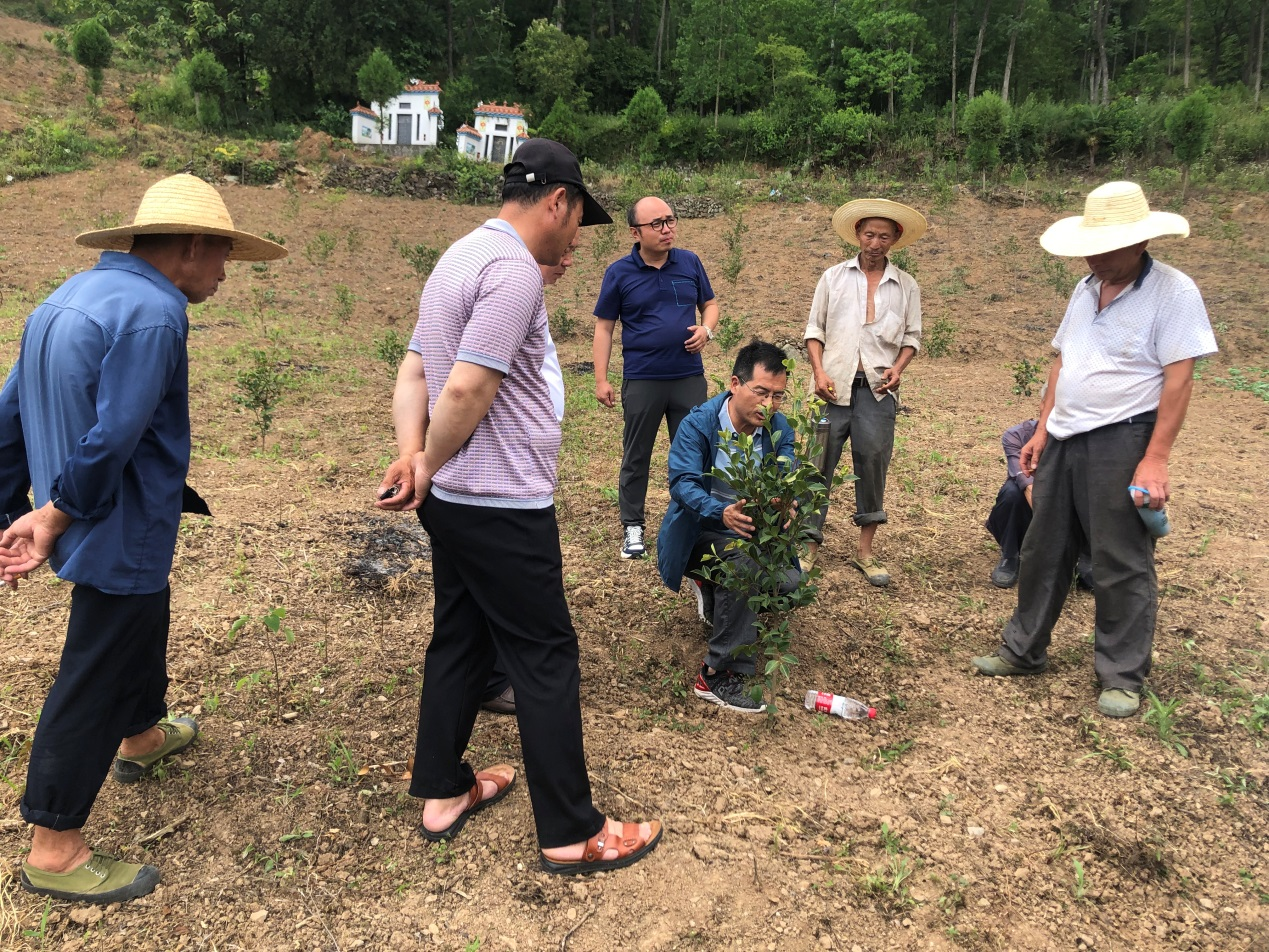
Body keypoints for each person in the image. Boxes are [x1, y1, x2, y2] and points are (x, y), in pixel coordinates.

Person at [375, 139, 661, 873]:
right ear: (556, 201)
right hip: (501, 503)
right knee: (543, 656)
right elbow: (467, 388)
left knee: (461, 638)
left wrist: (414, 459)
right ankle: (571, 831)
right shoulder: (510, 273)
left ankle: (441, 789)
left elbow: (413, 370)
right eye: (577, 222)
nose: (574, 238)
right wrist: (428, 461)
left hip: (455, 502)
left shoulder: (457, 257)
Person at [0, 174, 286, 903]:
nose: (225, 272)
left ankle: (140, 735)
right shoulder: (158, 314)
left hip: (95, 517)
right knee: (95, 664)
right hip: (114, 521)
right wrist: (59, 513)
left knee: (141, 620)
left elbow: (7, 415)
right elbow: (115, 435)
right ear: (191, 246)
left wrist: (12, 508)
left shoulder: (66, 296)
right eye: (223, 255)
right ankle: (55, 844)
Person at [973, 181, 1217, 718]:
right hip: (1064, 436)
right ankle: (1023, 649)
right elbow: (1064, 361)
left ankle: (1122, 674)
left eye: (1106, 249)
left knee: (1120, 558)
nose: (1094, 258)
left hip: (1123, 437)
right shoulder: (1086, 289)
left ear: (1139, 242)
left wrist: (1155, 457)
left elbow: (1179, 381)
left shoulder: (1173, 293)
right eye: (1090, 248)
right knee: (1044, 549)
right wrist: (1042, 429)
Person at [656, 341, 802, 714]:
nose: (769, 405)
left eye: (779, 396)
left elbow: (786, 472)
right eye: (761, 392)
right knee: (744, 563)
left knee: (787, 585)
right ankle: (717, 674)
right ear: (735, 384)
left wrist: (785, 500)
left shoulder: (778, 429)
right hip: (700, 533)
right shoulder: (699, 424)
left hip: (748, 530)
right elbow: (683, 484)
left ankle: (712, 586)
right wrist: (720, 512)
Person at [479, 235, 579, 716]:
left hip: (521, 472)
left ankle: (495, 674)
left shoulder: (525, 299)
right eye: (560, 249)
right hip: (505, 479)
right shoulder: (508, 291)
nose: (568, 260)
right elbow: (471, 389)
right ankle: (500, 680)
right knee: (515, 589)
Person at [804, 199, 926, 586]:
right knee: (815, 463)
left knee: (872, 464)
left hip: (876, 391)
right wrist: (819, 372)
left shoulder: (906, 285)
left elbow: (912, 337)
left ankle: (865, 552)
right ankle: (806, 547)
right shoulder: (833, 277)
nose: (875, 243)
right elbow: (814, 331)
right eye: (869, 234)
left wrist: (899, 368)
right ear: (857, 234)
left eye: (884, 236)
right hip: (830, 388)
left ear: (896, 239)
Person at [592, 196, 720, 560]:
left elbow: (709, 304)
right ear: (635, 232)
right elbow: (604, 328)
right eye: (657, 224)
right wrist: (602, 379)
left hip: (688, 378)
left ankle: (694, 522)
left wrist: (707, 331)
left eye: (670, 220)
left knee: (696, 453)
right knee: (637, 455)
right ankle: (633, 526)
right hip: (643, 379)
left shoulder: (690, 262)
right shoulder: (619, 272)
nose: (667, 229)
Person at [985, 416, 1093, 589]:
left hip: (1067, 505)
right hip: (1038, 509)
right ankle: (1011, 554)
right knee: (1012, 492)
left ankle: (1083, 558)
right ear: (1044, 405)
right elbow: (1028, 486)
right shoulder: (1017, 435)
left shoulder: (1081, 437)